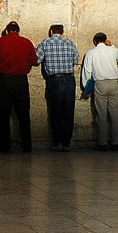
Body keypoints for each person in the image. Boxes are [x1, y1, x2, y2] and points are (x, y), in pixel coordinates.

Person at [0, 21, 37, 153]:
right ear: (18, 31)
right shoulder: (27, 42)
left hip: (4, 81)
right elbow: (34, 61)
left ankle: (5, 146)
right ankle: (26, 145)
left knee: (3, 114)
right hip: (21, 81)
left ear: (7, 31)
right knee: (24, 114)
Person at [35, 23, 79, 152]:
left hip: (54, 80)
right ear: (62, 32)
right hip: (69, 79)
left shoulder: (46, 43)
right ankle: (67, 143)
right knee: (69, 111)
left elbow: (37, 60)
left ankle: (57, 142)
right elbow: (75, 60)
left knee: (55, 112)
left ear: (51, 31)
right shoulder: (69, 43)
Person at [82, 32, 118, 151]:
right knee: (115, 114)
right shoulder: (112, 50)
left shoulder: (90, 53)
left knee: (101, 114)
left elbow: (87, 71)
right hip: (113, 83)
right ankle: (116, 142)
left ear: (95, 42)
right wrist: (112, 46)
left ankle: (102, 143)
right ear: (106, 40)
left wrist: (87, 88)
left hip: (100, 84)